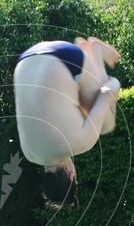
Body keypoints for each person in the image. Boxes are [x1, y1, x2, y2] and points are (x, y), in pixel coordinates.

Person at [13, 37, 121, 208]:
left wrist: (114, 83)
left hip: (65, 57)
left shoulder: (81, 144)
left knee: (106, 124)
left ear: (72, 175)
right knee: (84, 111)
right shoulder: (29, 154)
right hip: (25, 60)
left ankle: (96, 53)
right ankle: (87, 60)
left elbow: (108, 91)